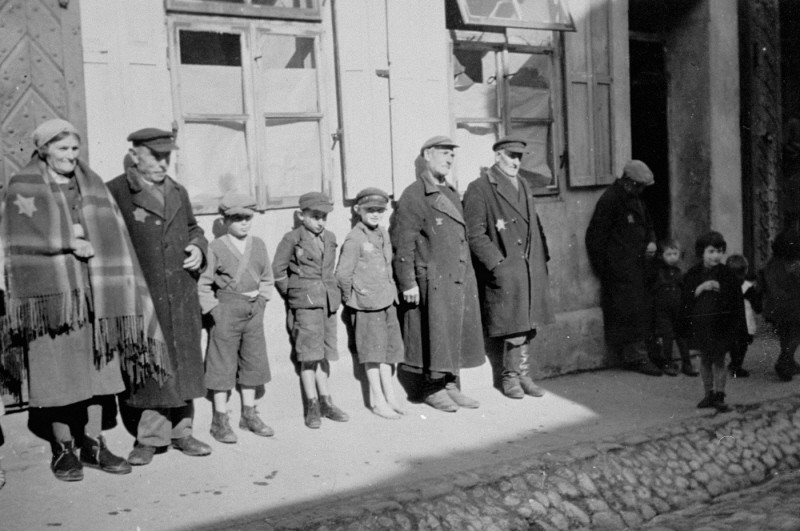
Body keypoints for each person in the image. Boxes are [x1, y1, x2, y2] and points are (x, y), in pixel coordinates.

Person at [0, 119, 170, 481]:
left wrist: (84, 235)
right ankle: (63, 448)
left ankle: (94, 444)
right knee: (57, 373)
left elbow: (111, 232)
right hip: (51, 300)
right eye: (62, 149)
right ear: (44, 149)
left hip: (96, 294)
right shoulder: (24, 185)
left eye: (74, 149)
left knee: (99, 371)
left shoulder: (90, 183)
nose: (70, 156)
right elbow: (19, 237)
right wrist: (69, 238)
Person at [107, 128, 211, 465]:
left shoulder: (178, 191)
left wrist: (198, 246)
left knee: (182, 361)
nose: (164, 163)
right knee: (150, 363)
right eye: (156, 156)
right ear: (136, 154)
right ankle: (149, 438)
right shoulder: (117, 192)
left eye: (168, 156)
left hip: (179, 291)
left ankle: (182, 431)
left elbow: (195, 228)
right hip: (143, 294)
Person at [389, 136, 485, 412]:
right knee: (435, 333)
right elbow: (402, 243)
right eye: (444, 154)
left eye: (452, 156)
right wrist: (407, 281)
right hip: (432, 279)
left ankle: (452, 384)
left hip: (456, 276)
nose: (449, 159)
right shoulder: (415, 194)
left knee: (454, 332)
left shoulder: (451, 192)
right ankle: (433, 388)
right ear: (427, 155)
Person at [463, 136, 555, 399]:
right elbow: (474, 233)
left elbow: (534, 224)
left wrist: (542, 258)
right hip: (508, 266)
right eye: (511, 155)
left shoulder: (524, 184)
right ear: (497, 156)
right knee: (514, 324)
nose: (516, 161)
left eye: (520, 157)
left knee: (527, 322)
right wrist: (497, 264)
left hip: (528, 265)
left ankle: (523, 374)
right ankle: (509, 377)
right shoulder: (480, 188)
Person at [197, 192, 274, 443]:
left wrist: (262, 300)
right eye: (237, 218)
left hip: (253, 309)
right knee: (222, 363)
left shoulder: (259, 244)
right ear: (225, 220)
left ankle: (249, 415)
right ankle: (220, 420)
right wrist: (215, 310)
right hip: (226, 308)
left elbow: (267, 277)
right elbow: (204, 283)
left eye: (247, 218)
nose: (243, 222)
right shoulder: (216, 247)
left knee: (253, 360)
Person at [273, 192, 350, 429]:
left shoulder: (330, 237)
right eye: (315, 216)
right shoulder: (292, 239)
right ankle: (312, 404)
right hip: (305, 302)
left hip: (327, 302)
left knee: (325, 354)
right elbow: (278, 271)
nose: (321, 222)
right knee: (308, 356)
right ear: (301, 215)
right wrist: (295, 292)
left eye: (324, 217)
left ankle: (327, 401)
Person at [585, 160, 663, 376]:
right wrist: (608, 269)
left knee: (642, 311)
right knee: (629, 314)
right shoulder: (610, 200)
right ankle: (636, 358)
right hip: (621, 272)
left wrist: (652, 242)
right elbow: (595, 238)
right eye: (639, 186)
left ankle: (649, 355)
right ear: (628, 182)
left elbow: (648, 226)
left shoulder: (636, 199)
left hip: (639, 268)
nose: (642, 190)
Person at [335, 187, 405, 419]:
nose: (375, 214)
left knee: (387, 353)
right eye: (370, 210)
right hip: (366, 305)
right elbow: (343, 275)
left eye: (379, 210)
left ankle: (390, 396)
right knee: (372, 354)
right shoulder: (355, 238)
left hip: (386, 300)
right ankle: (378, 401)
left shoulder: (383, 233)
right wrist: (352, 298)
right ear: (358, 210)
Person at [679, 231, 743, 412]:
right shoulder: (693, 274)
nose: (716, 256)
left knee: (720, 360)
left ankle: (720, 394)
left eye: (719, 251)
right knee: (705, 360)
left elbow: (735, 302)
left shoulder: (727, 275)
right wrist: (701, 288)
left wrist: (721, 292)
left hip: (720, 326)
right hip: (701, 326)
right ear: (702, 253)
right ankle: (708, 394)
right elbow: (685, 299)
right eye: (711, 251)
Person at [648, 239, 698, 377]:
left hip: (678, 310)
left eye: (675, 254)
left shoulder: (679, 272)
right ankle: (667, 363)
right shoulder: (658, 272)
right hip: (662, 311)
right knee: (667, 337)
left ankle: (687, 364)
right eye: (668, 254)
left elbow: (684, 290)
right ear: (661, 256)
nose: (672, 257)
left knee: (682, 337)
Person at [761, 229, 800, 381]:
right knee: (796, 335)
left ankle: (789, 361)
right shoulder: (794, 265)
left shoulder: (772, 263)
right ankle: (784, 360)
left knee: (785, 334)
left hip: (775, 307)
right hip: (793, 307)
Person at [726, 254, 762, 378]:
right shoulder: (747, 287)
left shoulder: (726, 286)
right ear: (745, 270)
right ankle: (737, 367)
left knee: (734, 345)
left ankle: (734, 363)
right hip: (744, 322)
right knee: (742, 345)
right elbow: (756, 304)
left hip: (731, 321)